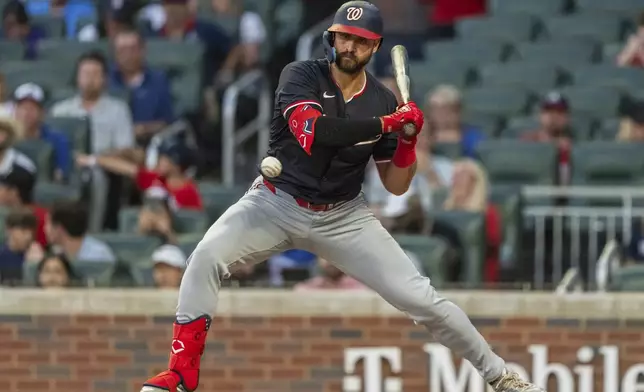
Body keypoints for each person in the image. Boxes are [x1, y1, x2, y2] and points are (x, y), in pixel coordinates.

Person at [140, 2, 543, 392]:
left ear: (375, 47)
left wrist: (406, 142)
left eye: (360, 41)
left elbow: (397, 184)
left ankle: (500, 377)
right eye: (343, 37)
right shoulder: (300, 75)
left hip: (343, 215)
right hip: (275, 202)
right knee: (204, 258)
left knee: (424, 300)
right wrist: (387, 123)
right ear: (332, 38)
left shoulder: (383, 100)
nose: (350, 47)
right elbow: (316, 133)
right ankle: (180, 375)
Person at [13, 83, 72, 182]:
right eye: (22, 108)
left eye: (31, 109)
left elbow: (63, 173)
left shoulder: (58, 140)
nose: (26, 114)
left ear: (42, 113)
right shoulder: (7, 139)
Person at [46, 200, 116, 263]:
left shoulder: (99, 255)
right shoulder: (55, 254)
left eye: (48, 223)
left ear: (59, 229)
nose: (45, 228)